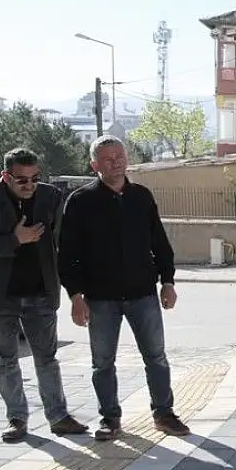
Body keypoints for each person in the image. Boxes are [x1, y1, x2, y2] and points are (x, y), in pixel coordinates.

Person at [58, 135, 189, 441]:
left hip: (143, 294)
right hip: (100, 298)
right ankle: (110, 418)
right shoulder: (80, 201)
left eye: (120, 156)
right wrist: (75, 296)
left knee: (156, 356)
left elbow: (160, 243)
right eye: (108, 158)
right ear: (95, 165)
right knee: (102, 362)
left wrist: (167, 281)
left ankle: (164, 413)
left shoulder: (141, 197)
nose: (116, 162)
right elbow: (67, 254)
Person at [0, 148, 89, 443]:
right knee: (6, 361)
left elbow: (64, 245)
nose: (29, 186)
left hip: (40, 294)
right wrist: (14, 240)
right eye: (21, 180)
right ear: (5, 176)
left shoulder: (50, 197)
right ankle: (17, 419)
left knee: (47, 359)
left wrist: (75, 292)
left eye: (35, 178)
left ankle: (58, 416)